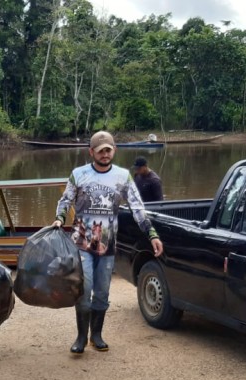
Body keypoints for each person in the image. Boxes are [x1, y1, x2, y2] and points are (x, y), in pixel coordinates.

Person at [52, 131, 164, 354]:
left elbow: (137, 208)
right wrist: (59, 219)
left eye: (108, 150)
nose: (105, 154)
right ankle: (81, 337)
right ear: (91, 151)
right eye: (100, 150)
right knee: (84, 289)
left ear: (114, 150)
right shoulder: (78, 174)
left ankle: (96, 334)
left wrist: (152, 234)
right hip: (82, 242)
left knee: (102, 291)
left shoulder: (123, 176)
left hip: (108, 244)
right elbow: (65, 200)